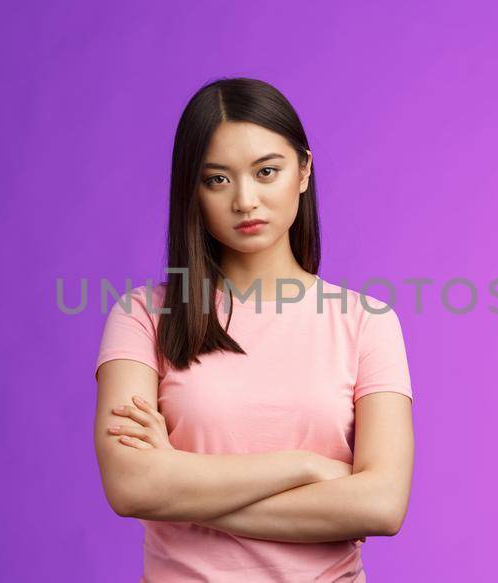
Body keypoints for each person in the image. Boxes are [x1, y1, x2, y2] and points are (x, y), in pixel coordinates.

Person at [92, 77, 415, 582]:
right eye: (217, 179)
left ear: (304, 171)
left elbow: (382, 505)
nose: (245, 200)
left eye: (267, 171)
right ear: (191, 190)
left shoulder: (367, 323)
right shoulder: (141, 316)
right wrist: (305, 468)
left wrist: (178, 490)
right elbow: (131, 488)